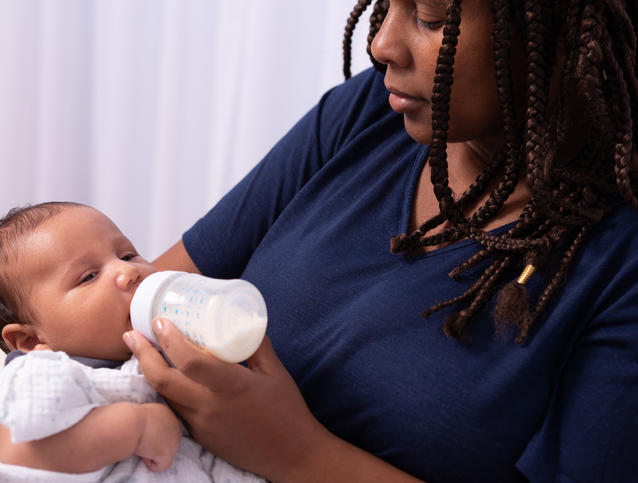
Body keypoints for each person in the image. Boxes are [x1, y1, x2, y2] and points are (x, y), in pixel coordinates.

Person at [122, 1, 638, 482]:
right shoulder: (372, 111)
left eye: (432, 16)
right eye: (386, 4)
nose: (382, 44)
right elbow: (128, 302)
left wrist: (297, 453)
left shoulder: (619, 262)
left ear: (561, 32)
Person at [0, 202, 265, 483]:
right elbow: (22, 448)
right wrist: (138, 427)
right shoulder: (42, 372)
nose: (128, 272)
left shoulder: (169, 346)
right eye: (89, 276)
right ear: (32, 340)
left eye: (128, 254)